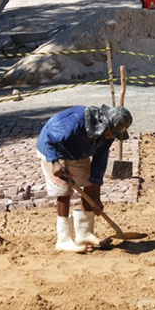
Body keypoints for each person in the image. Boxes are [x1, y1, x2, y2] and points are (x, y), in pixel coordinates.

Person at [37, 105, 133, 253]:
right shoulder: (77, 120)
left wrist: (96, 197)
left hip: (78, 152)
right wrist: (55, 162)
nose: (110, 136)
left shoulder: (108, 135)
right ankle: (63, 239)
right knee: (64, 191)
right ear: (105, 123)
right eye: (111, 132)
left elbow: (99, 164)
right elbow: (50, 138)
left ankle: (85, 233)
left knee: (89, 183)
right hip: (53, 150)